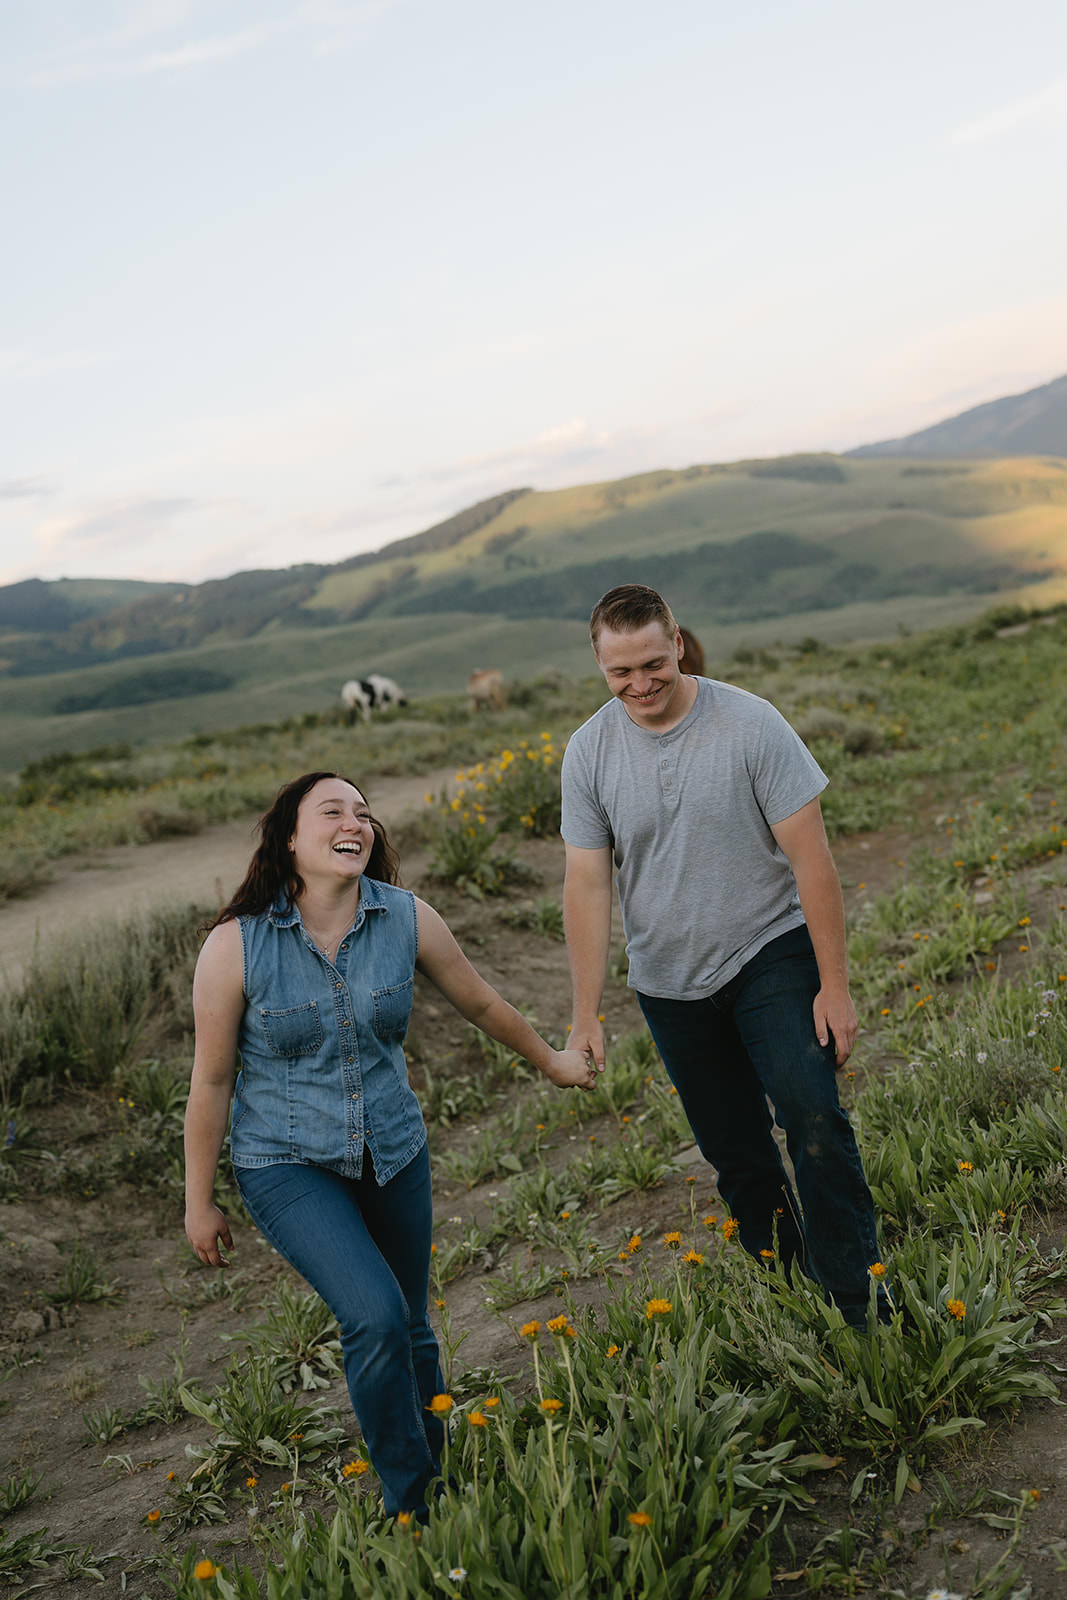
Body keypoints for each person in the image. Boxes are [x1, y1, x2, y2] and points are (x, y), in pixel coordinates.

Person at [185, 770, 597, 1519]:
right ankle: (412, 1507)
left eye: (364, 814)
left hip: (393, 1148)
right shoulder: (233, 947)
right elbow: (211, 1082)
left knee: (408, 1321)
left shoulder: (406, 918)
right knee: (372, 1316)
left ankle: (435, 1474)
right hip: (284, 1161)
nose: (356, 823)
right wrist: (198, 1200)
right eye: (333, 811)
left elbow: (481, 1002)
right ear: (286, 839)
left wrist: (554, 1063)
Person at [560, 585, 886, 1328]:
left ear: (677, 644)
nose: (638, 684)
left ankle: (859, 1303)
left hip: (768, 951)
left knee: (811, 1116)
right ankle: (793, 1295)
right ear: (599, 666)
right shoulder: (589, 752)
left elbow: (812, 861)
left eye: (652, 663)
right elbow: (585, 886)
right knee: (735, 1155)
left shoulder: (750, 723)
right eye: (620, 673)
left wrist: (834, 985)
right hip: (669, 984)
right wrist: (585, 1014)